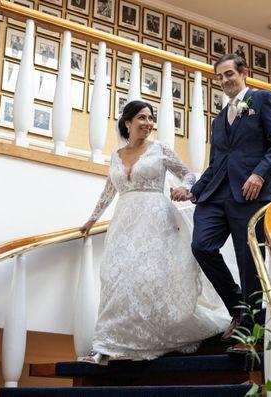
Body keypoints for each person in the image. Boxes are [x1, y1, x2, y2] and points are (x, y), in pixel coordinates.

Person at [79, 100, 231, 364]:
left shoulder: (160, 149)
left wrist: (184, 190)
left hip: (156, 219)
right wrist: (91, 221)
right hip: (124, 224)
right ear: (127, 122)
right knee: (114, 279)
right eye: (142, 117)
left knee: (148, 281)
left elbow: (189, 176)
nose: (148, 123)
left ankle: (139, 342)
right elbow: (109, 191)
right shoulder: (116, 155)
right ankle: (105, 345)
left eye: (151, 118)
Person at [171, 54, 271, 353]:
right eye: (220, 77)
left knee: (249, 261)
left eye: (229, 74)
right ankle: (238, 307)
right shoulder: (219, 120)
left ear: (244, 72)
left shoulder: (263, 99)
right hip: (217, 196)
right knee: (202, 246)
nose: (224, 81)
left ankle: (251, 333)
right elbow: (215, 164)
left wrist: (259, 175)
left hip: (250, 194)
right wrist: (194, 191)